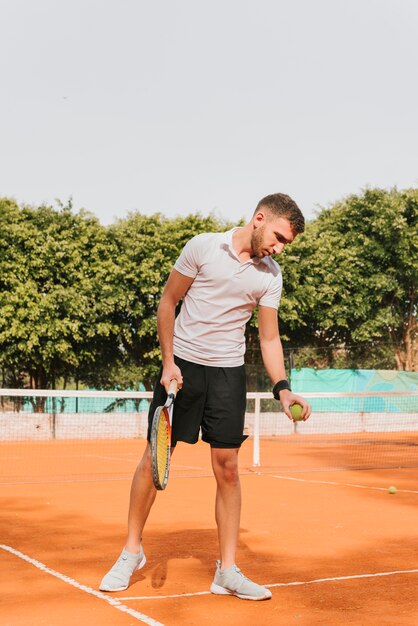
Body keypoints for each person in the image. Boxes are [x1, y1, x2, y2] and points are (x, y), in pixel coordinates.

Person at [100, 193, 311, 600]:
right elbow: (168, 302)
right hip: (183, 366)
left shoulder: (270, 275)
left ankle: (227, 572)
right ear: (260, 218)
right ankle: (131, 553)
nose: (280, 248)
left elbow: (268, 337)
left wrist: (282, 388)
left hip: (228, 374)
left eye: (286, 244)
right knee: (155, 457)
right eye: (280, 237)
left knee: (228, 467)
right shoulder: (202, 247)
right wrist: (167, 363)